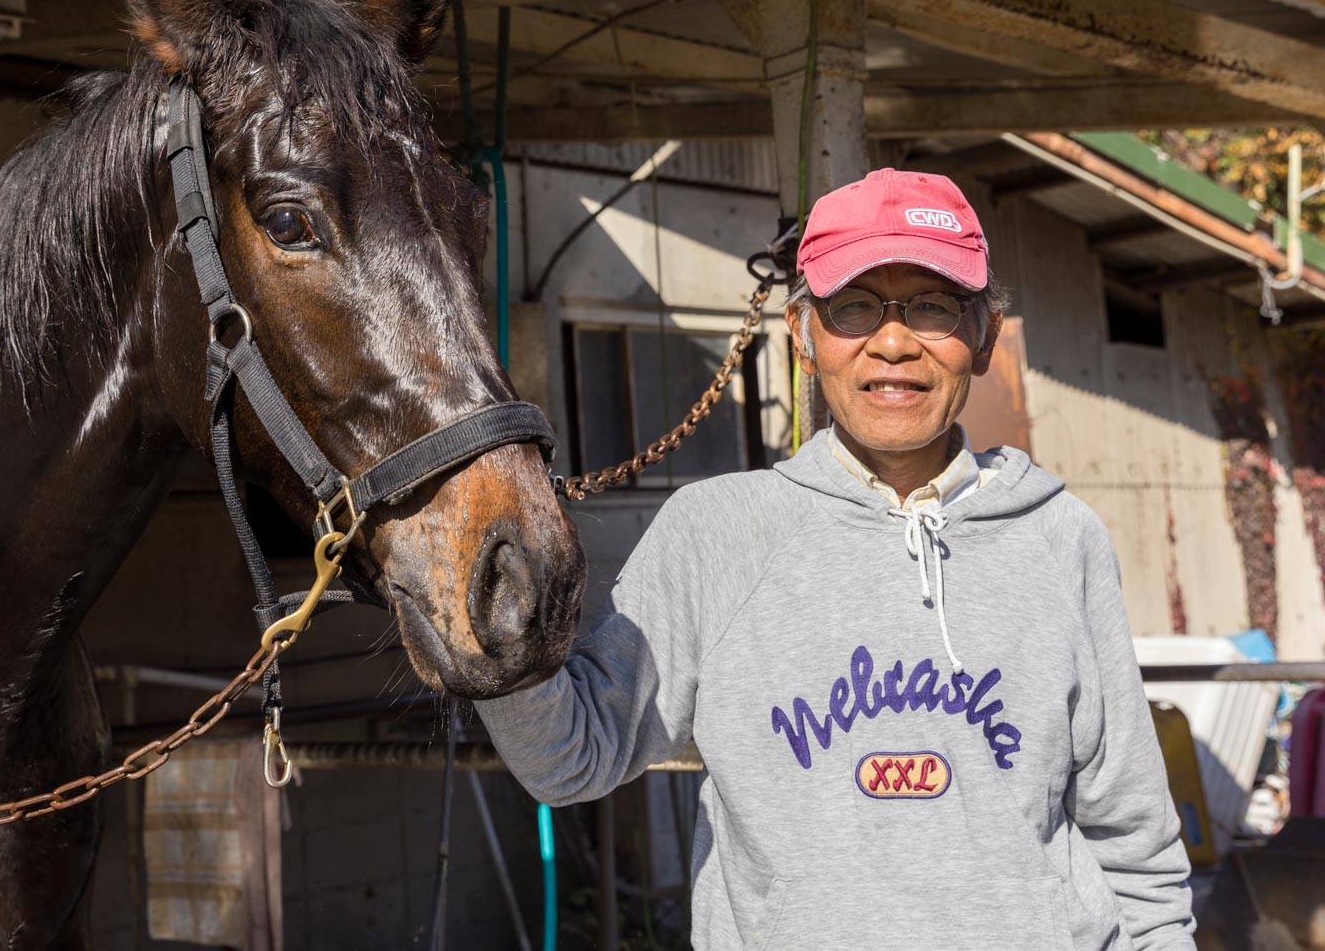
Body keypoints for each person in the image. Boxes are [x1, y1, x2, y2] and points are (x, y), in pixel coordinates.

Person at [475, 168, 1195, 950]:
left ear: (985, 335)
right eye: (854, 306)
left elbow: (1136, 846)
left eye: (933, 306)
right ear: (802, 334)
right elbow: (572, 755)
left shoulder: (1060, 536)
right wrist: (480, 610)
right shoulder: (716, 535)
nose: (894, 342)